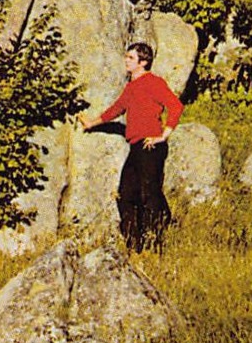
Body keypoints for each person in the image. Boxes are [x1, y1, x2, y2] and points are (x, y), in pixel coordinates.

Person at [78, 42, 183, 252]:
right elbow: (116, 109)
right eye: (126, 56)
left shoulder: (154, 82)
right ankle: (134, 245)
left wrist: (163, 136)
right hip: (136, 146)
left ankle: (157, 240)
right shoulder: (131, 86)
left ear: (143, 62)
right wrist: (92, 123)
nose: (126, 60)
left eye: (131, 58)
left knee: (149, 193)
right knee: (126, 194)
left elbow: (176, 106)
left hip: (151, 145)